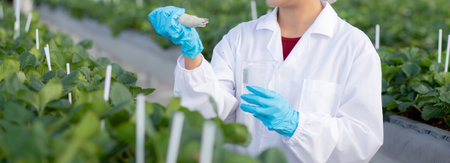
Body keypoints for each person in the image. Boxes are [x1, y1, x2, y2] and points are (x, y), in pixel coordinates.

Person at [149, 0, 383, 162]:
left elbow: (362, 140)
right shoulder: (240, 37)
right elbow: (206, 113)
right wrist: (192, 55)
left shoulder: (353, 47)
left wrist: (297, 125)